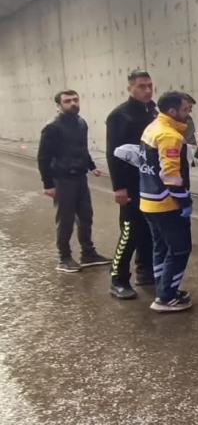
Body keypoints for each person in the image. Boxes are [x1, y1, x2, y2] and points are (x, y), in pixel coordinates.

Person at [37, 90, 112, 273]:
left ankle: (88, 254)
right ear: (58, 105)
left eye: (75, 100)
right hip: (62, 179)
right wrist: (48, 184)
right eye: (67, 101)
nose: (73, 103)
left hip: (80, 177)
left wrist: (91, 165)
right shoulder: (52, 127)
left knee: (86, 216)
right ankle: (64, 258)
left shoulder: (81, 123)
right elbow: (43, 157)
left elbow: (82, 148)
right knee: (66, 220)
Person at [139, 91, 195, 312]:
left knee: (161, 248)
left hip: (148, 201)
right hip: (166, 204)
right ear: (172, 111)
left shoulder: (152, 127)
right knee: (180, 250)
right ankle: (166, 298)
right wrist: (184, 202)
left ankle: (163, 289)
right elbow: (171, 176)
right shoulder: (170, 135)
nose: (188, 114)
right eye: (185, 110)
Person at [105, 70, 157, 299]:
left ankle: (145, 270)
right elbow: (112, 154)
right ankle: (118, 278)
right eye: (141, 86)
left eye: (150, 85)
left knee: (148, 229)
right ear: (130, 89)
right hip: (130, 183)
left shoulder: (153, 112)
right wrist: (119, 187)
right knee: (130, 231)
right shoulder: (119, 116)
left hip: (150, 182)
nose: (147, 90)